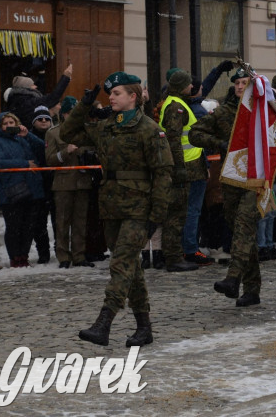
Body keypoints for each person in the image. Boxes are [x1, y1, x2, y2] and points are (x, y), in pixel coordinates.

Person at [64, 72, 173, 346]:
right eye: (109, 94)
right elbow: (67, 133)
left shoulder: (149, 129)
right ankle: (144, 327)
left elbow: (163, 174)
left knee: (120, 264)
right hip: (111, 206)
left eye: (117, 93)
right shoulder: (107, 126)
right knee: (131, 268)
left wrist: (156, 216)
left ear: (133, 97)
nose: (110, 97)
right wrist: (84, 106)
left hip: (139, 207)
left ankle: (104, 323)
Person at [189, 68, 264, 307]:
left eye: (245, 83)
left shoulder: (263, 112)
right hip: (231, 181)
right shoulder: (223, 112)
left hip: (257, 180)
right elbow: (195, 134)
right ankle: (252, 289)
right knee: (243, 233)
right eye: (238, 83)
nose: (241, 87)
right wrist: (219, 143)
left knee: (243, 228)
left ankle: (233, 278)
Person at [157, 69, 202, 272]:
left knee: (179, 214)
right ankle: (173, 257)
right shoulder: (176, 106)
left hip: (187, 166)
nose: (192, 86)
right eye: (188, 83)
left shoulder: (175, 102)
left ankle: (174, 255)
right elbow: (174, 140)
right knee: (176, 215)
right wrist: (179, 168)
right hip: (184, 167)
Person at [0, 112, 46, 267]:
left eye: (11, 122)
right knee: (14, 227)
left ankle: (24, 256)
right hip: (12, 190)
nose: (9, 126)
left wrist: (28, 135)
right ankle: (15, 257)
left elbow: (43, 148)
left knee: (29, 227)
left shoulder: (23, 139)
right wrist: (24, 164)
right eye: (5, 123)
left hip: (32, 189)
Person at [46, 97, 96, 268]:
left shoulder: (86, 132)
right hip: (63, 183)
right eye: (71, 113)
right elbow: (50, 160)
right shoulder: (54, 132)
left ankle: (79, 255)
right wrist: (65, 152)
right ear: (64, 114)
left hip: (82, 181)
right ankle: (63, 257)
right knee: (62, 222)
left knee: (80, 221)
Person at [29, 105, 56, 263]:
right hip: (38, 184)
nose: (44, 121)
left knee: (58, 220)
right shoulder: (29, 137)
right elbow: (43, 148)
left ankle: (60, 251)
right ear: (34, 122)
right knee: (39, 222)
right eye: (40, 119)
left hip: (55, 182)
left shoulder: (56, 134)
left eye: (47, 118)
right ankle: (43, 253)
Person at [6, 63, 73, 126]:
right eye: (32, 85)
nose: (35, 86)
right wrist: (65, 77)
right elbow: (53, 98)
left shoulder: (18, 99)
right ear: (26, 88)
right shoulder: (26, 101)